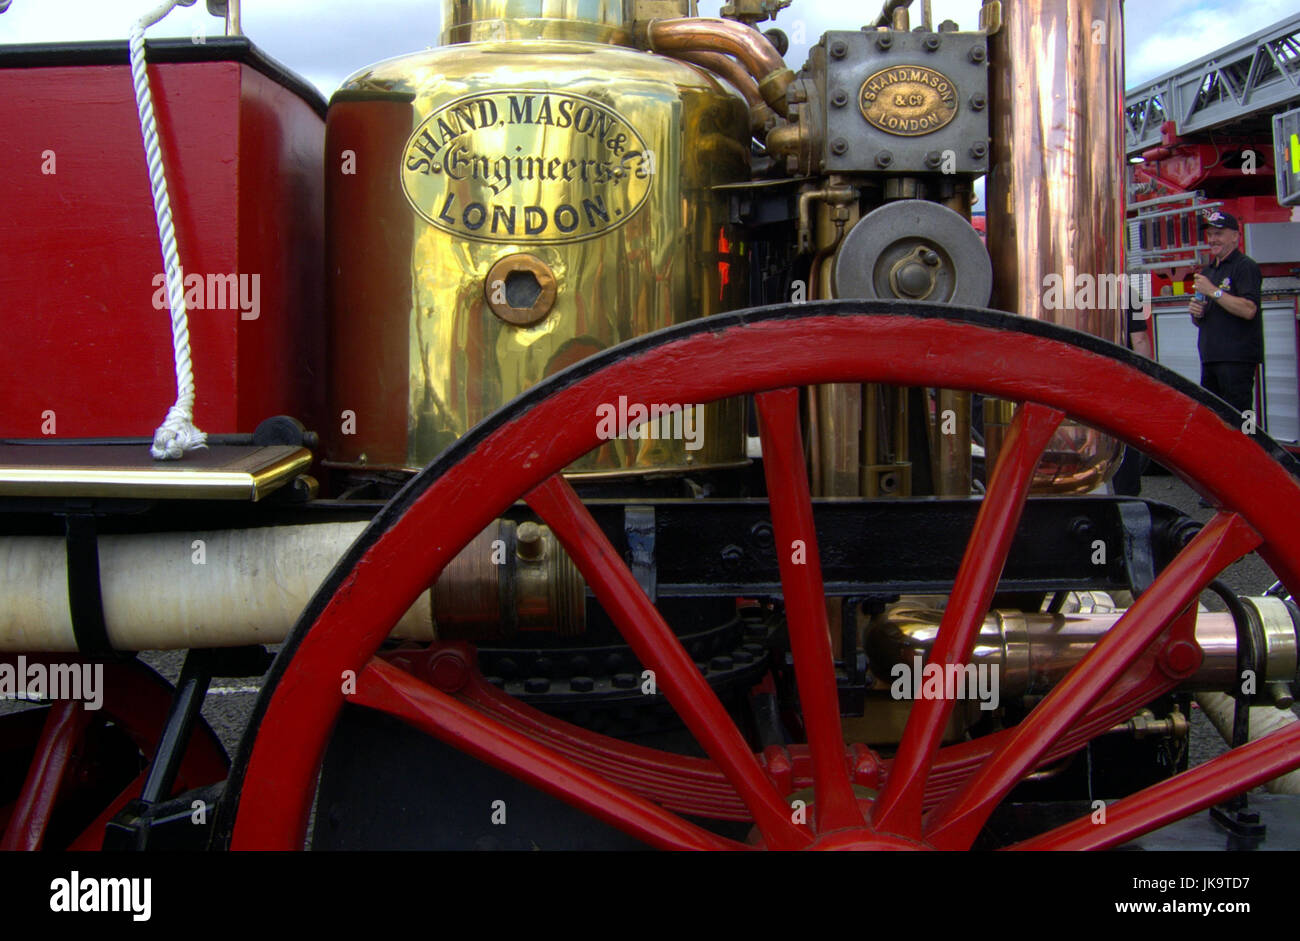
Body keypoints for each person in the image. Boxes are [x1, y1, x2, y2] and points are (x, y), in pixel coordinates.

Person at [1188, 209, 1263, 417]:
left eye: (1219, 234)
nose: (1213, 239)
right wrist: (1196, 313)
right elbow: (1203, 317)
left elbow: (1249, 310)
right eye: (1210, 234)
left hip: (1236, 359)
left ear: (1235, 236)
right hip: (1210, 357)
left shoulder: (1245, 266)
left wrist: (1213, 290)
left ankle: (1246, 449)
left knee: (1239, 420)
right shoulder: (1208, 272)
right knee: (1213, 421)